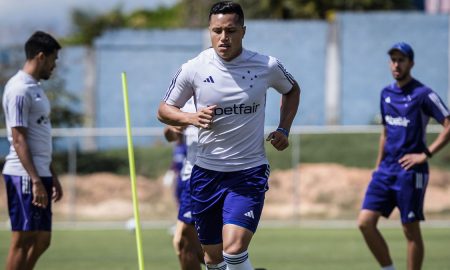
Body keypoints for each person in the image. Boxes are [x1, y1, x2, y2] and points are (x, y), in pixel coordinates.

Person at [157, 1, 301, 269]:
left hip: (248, 173)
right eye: (217, 30)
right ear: (210, 31)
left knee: (234, 248)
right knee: (213, 259)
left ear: (243, 32)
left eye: (231, 30)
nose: (224, 37)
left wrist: (284, 128)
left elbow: (292, 90)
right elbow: (164, 110)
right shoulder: (194, 68)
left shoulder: (266, 66)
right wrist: (190, 118)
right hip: (205, 174)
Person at [358, 42, 450, 270]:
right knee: (365, 223)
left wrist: (425, 154)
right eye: (393, 60)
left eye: (401, 60)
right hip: (385, 171)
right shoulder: (386, 94)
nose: (396, 64)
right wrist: (377, 167)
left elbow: (448, 124)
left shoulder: (424, 94)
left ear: (411, 63)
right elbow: (385, 132)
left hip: (410, 173)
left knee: (410, 229)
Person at [2, 31, 63, 270]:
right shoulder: (18, 89)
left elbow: (40, 137)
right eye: (53, 59)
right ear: (41, 56)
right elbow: (18, 139)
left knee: (42, 239)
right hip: (24, 175)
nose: (54, 65)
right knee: (22, 239)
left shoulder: (35, 87)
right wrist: (35, 180)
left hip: (40, 173)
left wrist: (52, 174)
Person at [164, 98, 204, 270]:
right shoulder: (184, 95)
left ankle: (239, 266)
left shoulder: (222, 88)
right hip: (191, 177)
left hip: (211, 173)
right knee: (184, 244)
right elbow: (169, 134)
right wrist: (176, 126)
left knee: (191, 245)